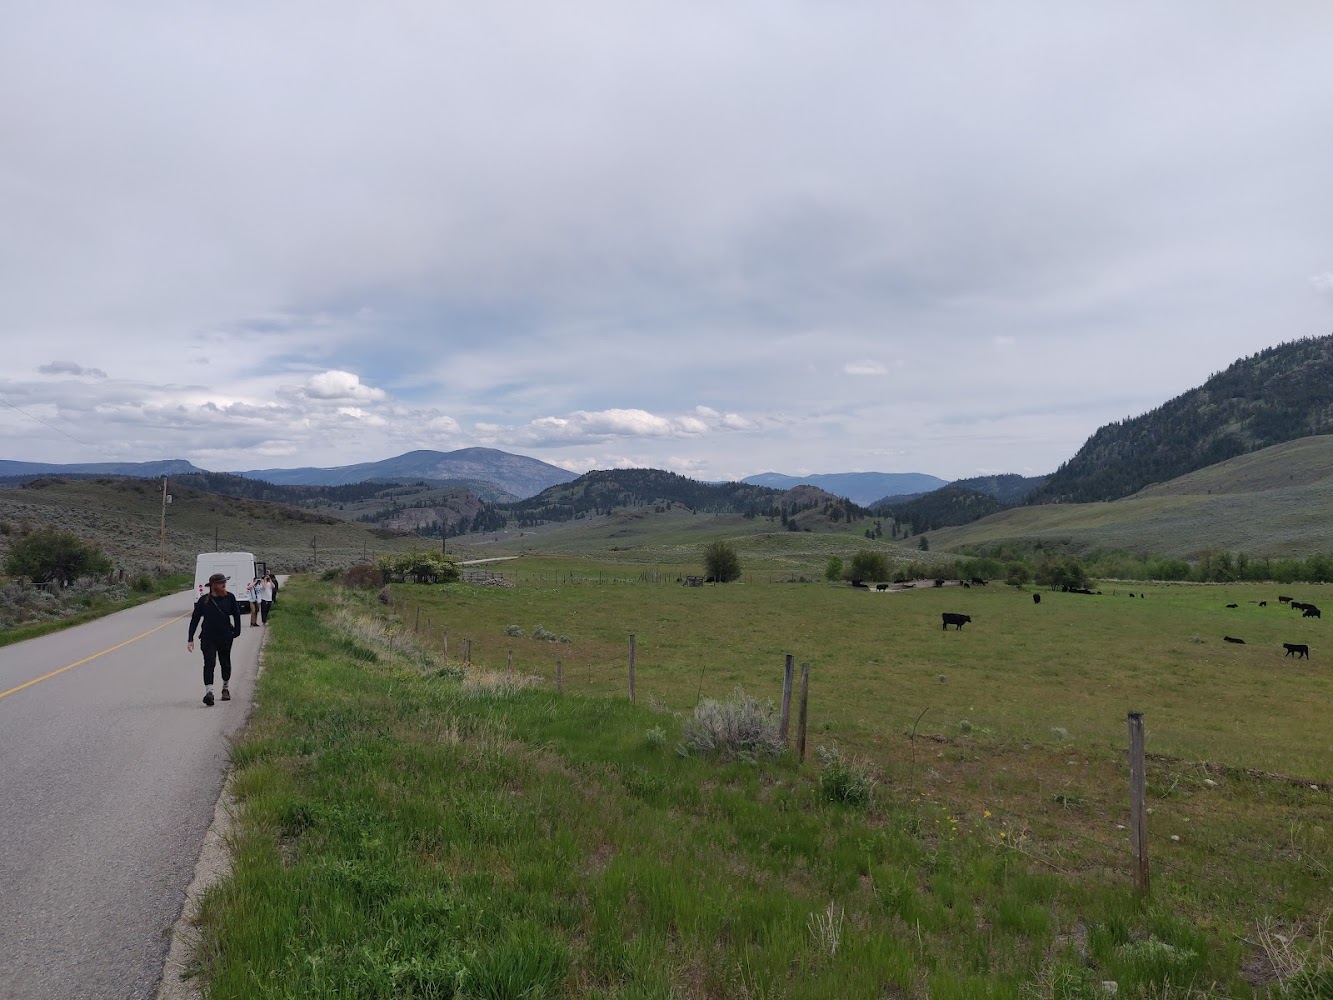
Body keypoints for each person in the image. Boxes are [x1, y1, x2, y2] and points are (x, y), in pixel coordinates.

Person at [187, 572, 241, 706]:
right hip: (208, 637)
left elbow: (236, 615)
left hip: (225, 637)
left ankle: (225, 688)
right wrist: (190, 638)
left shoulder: (230, 598)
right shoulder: (203, 600)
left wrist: (236, 631)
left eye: (225, 582)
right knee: (209, 663)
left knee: (225, 663)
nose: (224, 585)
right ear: (213, 585)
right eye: (222, 583)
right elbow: (195, 619)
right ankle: (209, 692)